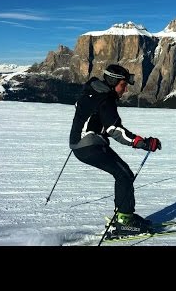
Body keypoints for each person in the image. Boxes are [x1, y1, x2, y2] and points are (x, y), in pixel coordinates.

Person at [69, 64, 162, 235]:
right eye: (123, 85)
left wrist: (91, 128)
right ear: (113, 82)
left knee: (123, 173)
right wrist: (143, 143)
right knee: (124, 174)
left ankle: (125, 217)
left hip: (79, 144)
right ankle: (124, 221)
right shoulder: (106, 99)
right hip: (90, 145)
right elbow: (116, 131)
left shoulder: (91, 91)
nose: (125, 89)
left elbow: (80, 108)